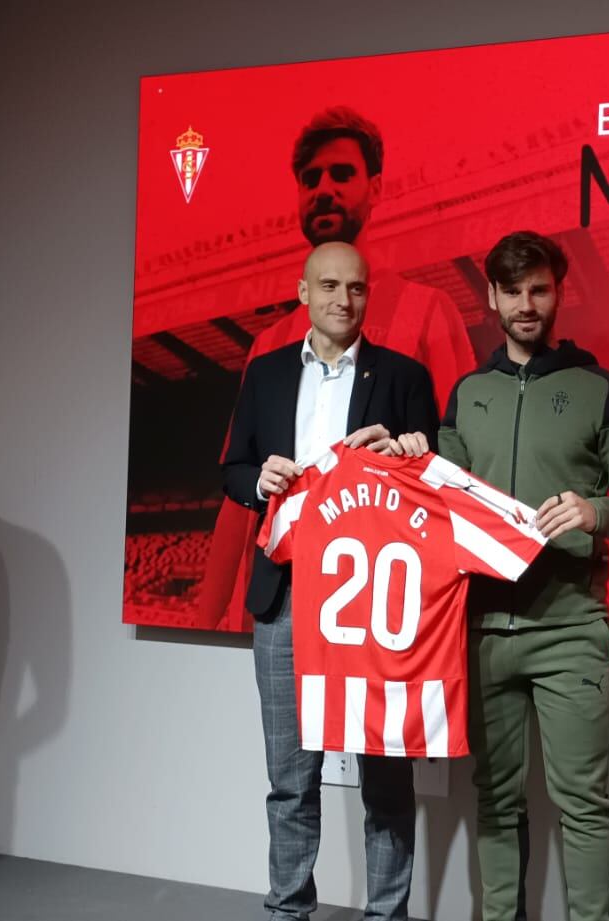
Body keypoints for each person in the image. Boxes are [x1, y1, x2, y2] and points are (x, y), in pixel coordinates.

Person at [438, 231, 609, 921]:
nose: (527, 304)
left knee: (582, 805)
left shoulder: (602, 389)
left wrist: (593, 511)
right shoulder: (466, 393)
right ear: (493, 298)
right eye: (514, 291)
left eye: (540, 288)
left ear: (558, 292)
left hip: (569, 630)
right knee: (495, 799)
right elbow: (443, 501)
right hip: (484, 632)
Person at [194, 105, 476, 632]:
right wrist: (208, 617)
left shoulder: (430, 313)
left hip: (375, 588)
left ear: (375, 187)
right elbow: (236, 501)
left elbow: (456, 465)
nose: (324, 188)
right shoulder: (267, 349)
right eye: (310, 179)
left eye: (342, 174)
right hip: (280, 590)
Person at [221, 241, 438, 921]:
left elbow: (435, 479)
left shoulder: (403, 376)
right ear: (303, 291)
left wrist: (414, 453)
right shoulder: (265, 373)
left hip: (371, 602)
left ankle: (387, 913)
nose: (344, 299)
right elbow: (232, 468)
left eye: (356, 288)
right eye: (330, 285)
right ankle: (288, 909)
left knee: (385, 775)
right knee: (290, 778)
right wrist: (258, 479)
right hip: (285, 595)